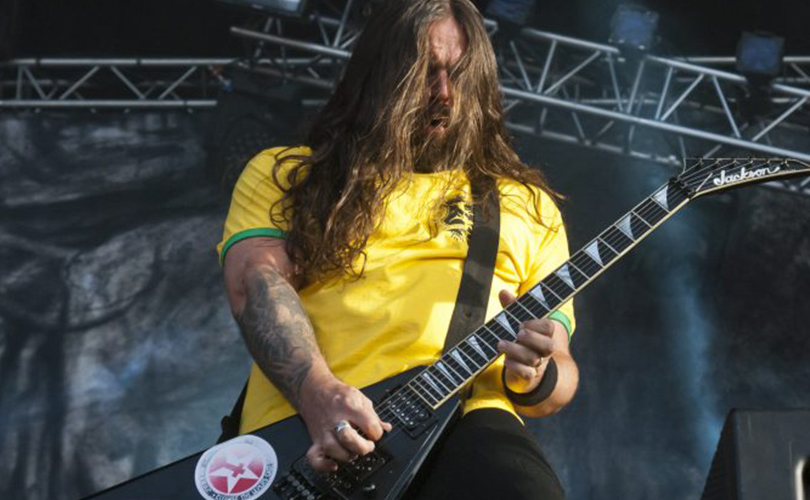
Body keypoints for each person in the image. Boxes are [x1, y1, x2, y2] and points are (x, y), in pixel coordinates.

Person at [215, 0, 578, 498]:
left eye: (460, 75)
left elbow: (560, 376)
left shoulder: (527, 206)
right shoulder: (288, 174)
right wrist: (318, 394)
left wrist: (537, 373)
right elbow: (256, 282)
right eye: (426, 73)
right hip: (302, 435)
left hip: (469, 427)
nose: (445, 94)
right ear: (379, 74)